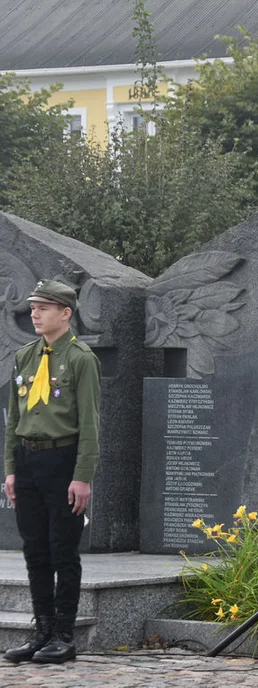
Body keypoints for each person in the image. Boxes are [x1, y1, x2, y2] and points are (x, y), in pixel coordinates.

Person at [3, 280, 100, 665]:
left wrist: (83, 476)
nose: (35, 313)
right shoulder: (25, 356)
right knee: (35, 551)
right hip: (27, 461)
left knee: (63, 551)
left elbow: (91, 424)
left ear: (66, 313)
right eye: (33, 307)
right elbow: (15, 419)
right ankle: (41, 630)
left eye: (44, 307)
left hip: (63, 462)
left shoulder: (80, 358)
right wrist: (11, 469)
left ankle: (63, 634)